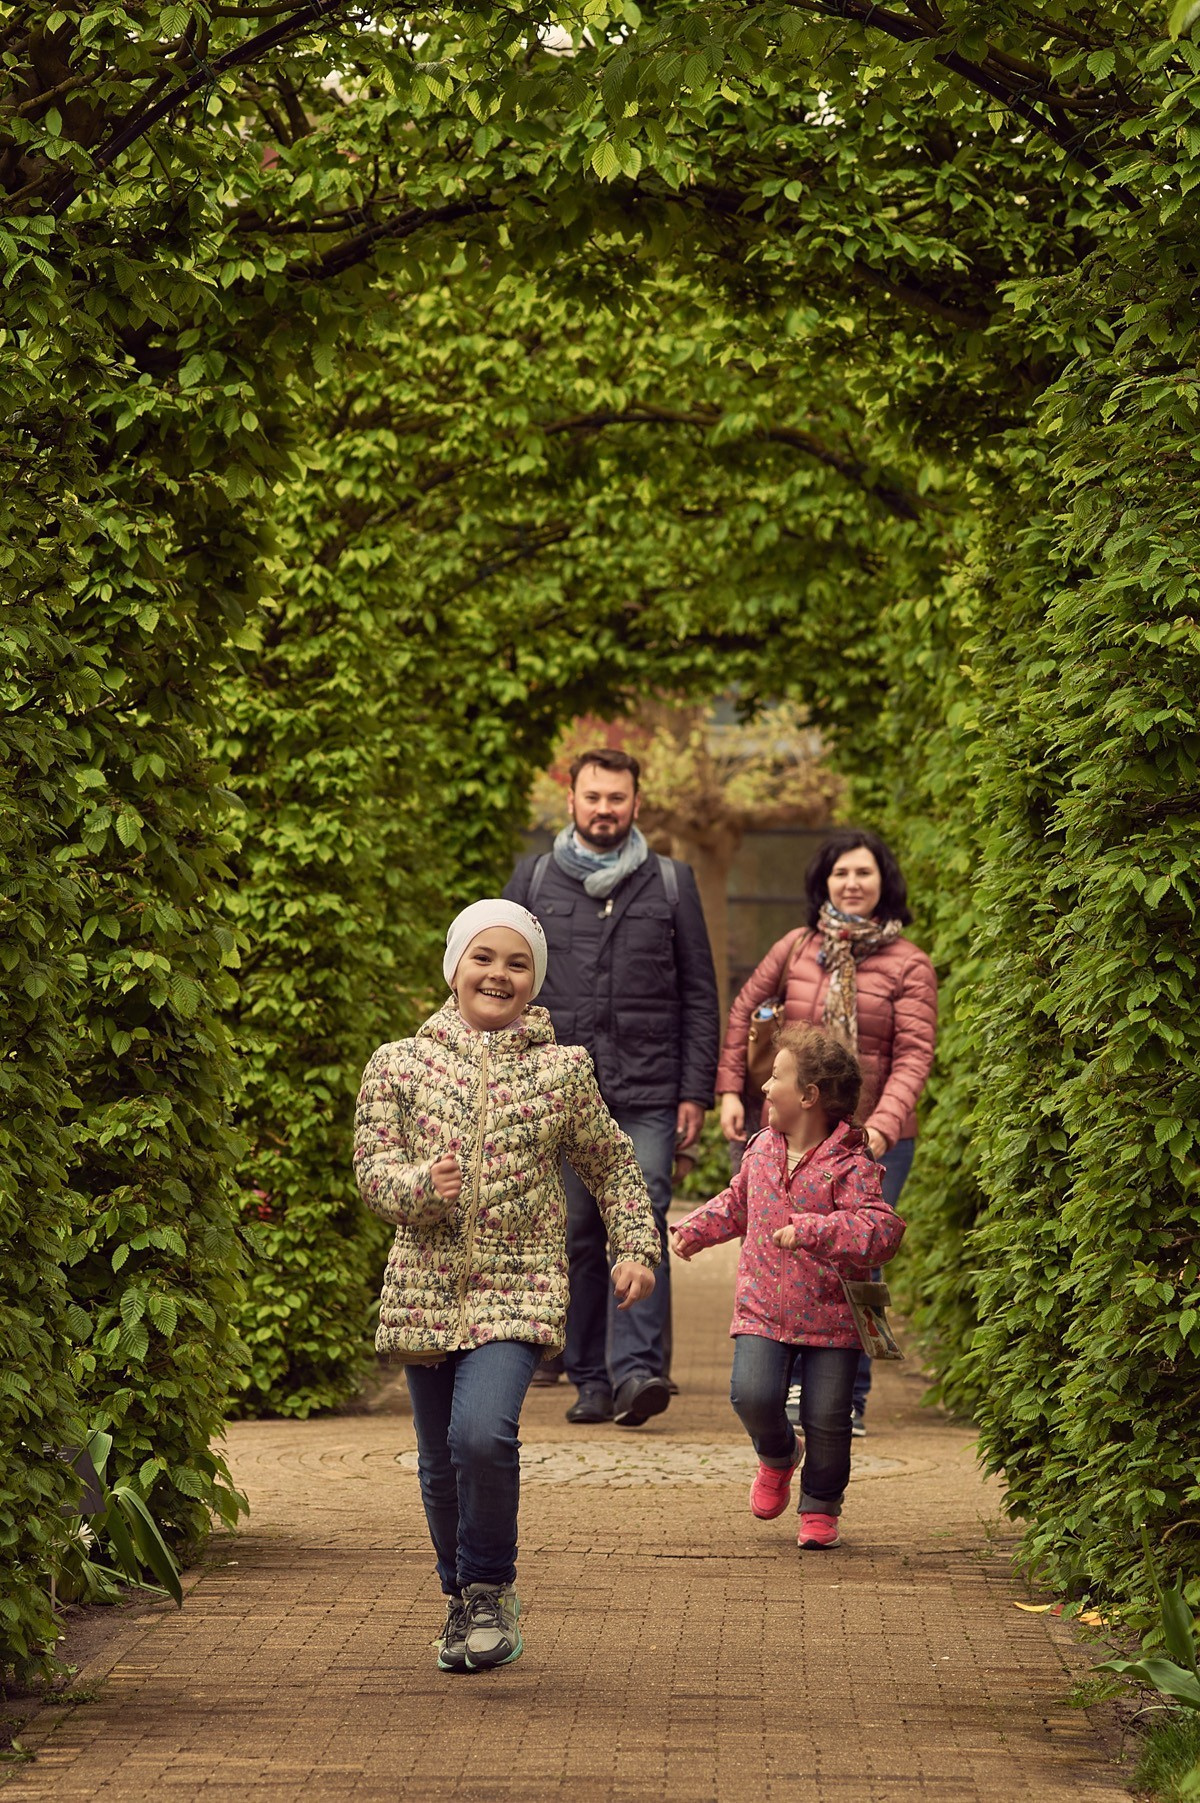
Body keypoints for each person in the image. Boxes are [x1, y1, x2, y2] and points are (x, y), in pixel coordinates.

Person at [353, 899, 659, 1674]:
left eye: (518, 962)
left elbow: (613, 1161)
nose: (499, 973)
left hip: (517, 1288)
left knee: (480, 1434)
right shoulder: (398, 1063)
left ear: (535, 981)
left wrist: (634, 1245)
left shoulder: (562, 1070)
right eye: (484, 957)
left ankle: (490, 1585)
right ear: (454, 966)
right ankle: (462, 1600)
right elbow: (373, 1173)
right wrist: (424, 1183)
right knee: (436, 1460)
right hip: (424, 1288)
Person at [504, 748, 719, 1429]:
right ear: (571, 800)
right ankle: (589, 1376)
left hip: (648, 1090)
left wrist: (696, 1091)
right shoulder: (532, 881)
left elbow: (699, 997)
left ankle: (638, 1373)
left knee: (642, 1218)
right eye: (593, 796)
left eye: (616, 798)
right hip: (559, 1093)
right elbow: (501, 985)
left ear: (636, 803)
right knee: (575, 1230)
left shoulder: (672, 883)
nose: (605, 809)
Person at [714, 827, 936, 1435]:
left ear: (883, 882)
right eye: (842, 873)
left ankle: (847, 1399)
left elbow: (914, 1055)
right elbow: (743, 1013)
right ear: (825, 882)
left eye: (864, 873)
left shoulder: (908, 963)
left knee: (855, 1257)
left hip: (870, 1139)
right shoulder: (794, 947)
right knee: (780, 1250)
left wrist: (883, 1129)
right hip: (791, 1137)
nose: (852, 883)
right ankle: (782, 1379)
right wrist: (731, 1089)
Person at [669, 1026, 905, 1549]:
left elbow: (881, 1230)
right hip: (763, 1308)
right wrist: (694, 1231)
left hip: (832, 1315)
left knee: (827, 1419)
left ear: (808, 1096)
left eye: (776, 1077)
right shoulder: (760, 1150)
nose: (764, 1088)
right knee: (751, 1394)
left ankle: (821, 1504)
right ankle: (778, 1456)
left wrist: (814, 1229)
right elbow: (736, 1203)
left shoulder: (852, 1163)